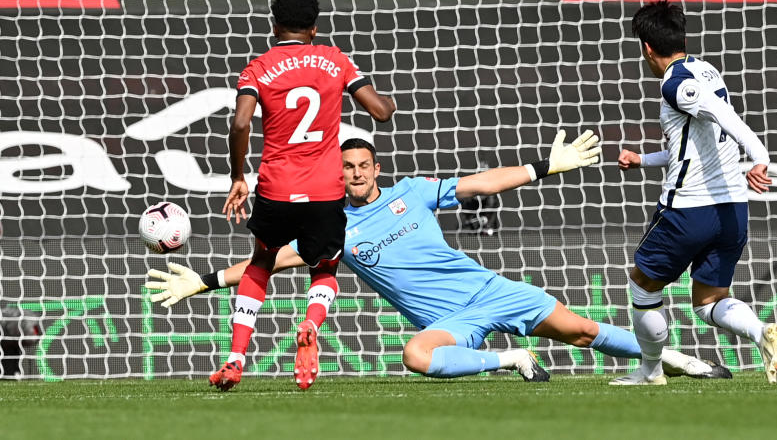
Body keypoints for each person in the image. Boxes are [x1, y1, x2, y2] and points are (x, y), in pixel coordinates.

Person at [148, 136, 732, 382]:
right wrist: (201, 282)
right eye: (344, 169)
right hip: (449, 323)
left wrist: (544, 167)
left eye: (361, 167)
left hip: (490, 290)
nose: (352, 175)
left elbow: (481, 185)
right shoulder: (334, 228)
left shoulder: (413, 191)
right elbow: (269, 264)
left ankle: (680, 361)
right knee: (415, 356)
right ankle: (511, 360)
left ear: (375, 169)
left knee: (580, 331)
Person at [210, 0, 395, 391]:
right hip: (326, 189)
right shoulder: (335, 60)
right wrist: (388, 103)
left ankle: (235, 359)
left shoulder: (257, 68)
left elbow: (240, 124)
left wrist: (238, 175)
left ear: (274, 25)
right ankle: (310, 324)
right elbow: (380, 111)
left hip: (277, 185)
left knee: (261, 262)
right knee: (324, 266)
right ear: (315, 27)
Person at [612, 0, 777, 386]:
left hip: (690, 208)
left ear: (647, 48)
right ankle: (761, 334)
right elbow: (694, 143)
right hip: (731, 209)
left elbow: (726, 118)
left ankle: (651, 371)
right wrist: (642, 160)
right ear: (683, 38)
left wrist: (760, 155)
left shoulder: (676, 83)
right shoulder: (706, 69)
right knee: (708, 300)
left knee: (642, 283)